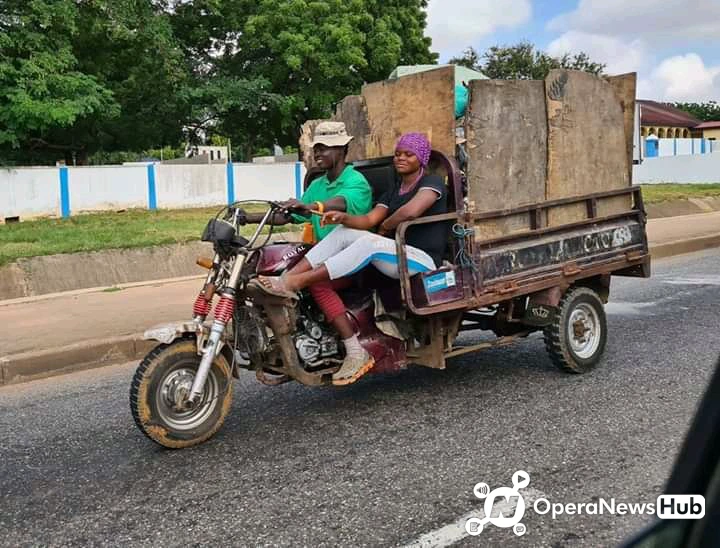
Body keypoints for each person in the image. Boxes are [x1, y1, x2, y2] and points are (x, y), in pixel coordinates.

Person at [251, 132, 448, 385]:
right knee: (348, 231)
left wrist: (385, 227)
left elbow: (411, 211)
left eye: (408, 155)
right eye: (398, 154)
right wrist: (343, 218)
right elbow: (367, 221)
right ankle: (289, 279)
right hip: (394, 254)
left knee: (367, 240)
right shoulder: (391, 192)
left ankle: (293, 283)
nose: (401, 158)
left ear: (420, 159)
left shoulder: (432, 182)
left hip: (421, 260)